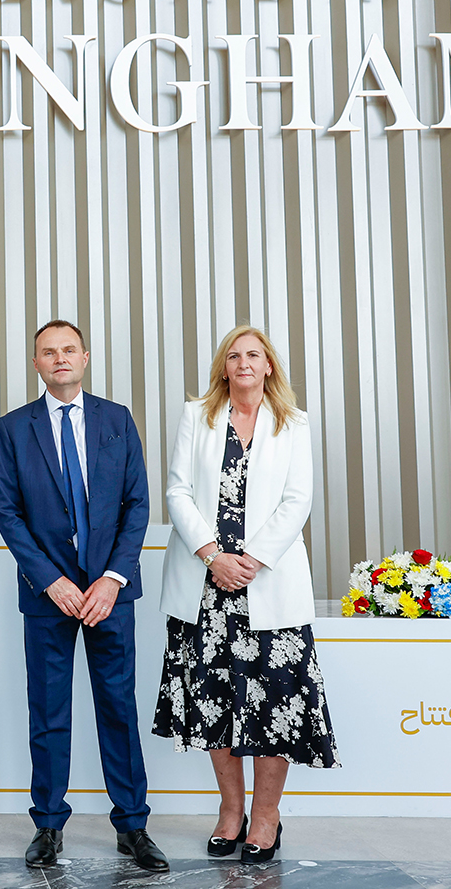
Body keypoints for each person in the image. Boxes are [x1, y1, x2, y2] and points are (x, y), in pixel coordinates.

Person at [153, 325, 338, 863]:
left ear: (269, 366)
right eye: (234, 356)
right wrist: (213, 556)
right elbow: (177, 490)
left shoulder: (293, 423)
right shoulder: (199, 416)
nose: (243, 363)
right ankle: (230, 812)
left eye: (253, 355)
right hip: (205, 586)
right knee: (214, 705)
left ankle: (265, 818)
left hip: (269, 583)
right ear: (224, 367)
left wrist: (250, 561)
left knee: (274, 705)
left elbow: (297, 499)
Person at [0, 321, 167, 873]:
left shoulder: (116, 420)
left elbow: (137, 504)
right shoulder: (13, 428)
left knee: (118, 707)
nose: (59, 358)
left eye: (69, 349)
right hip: (50, 594)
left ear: (85, 357)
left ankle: (133, 826)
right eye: (48, 352)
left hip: (109, 594)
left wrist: (113, 577)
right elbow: (9, 513)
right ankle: (47, 825)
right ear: (36, 363)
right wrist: (52, 579)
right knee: (48, 711)